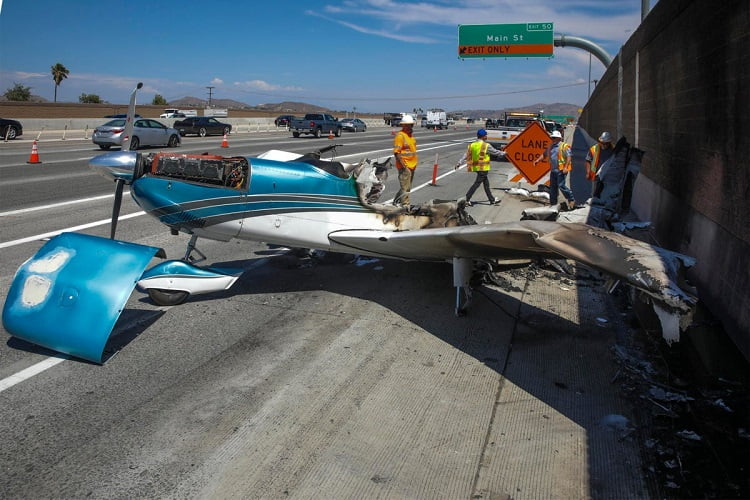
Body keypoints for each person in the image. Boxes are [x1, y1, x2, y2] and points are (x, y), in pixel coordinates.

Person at [455, 128, 504, 206]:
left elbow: (466, 155)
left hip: (476, 168)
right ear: (483, 136)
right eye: (486, 135)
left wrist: (459, 162)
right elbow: (496, 152)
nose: (486, 136)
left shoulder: (472, 145)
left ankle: (492, 200)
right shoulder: (486, 145)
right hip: (483, 168)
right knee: (477, 184)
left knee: (486, 184)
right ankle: (467, 199)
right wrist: (505, 153)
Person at [533, 130, 575, 210]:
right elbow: (544, 154)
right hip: (553, 170)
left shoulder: (564, 146)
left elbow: (569, 156)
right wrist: (538, 160)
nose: (552, 139)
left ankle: (571, 199)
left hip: (561, 170)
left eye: (554, 138)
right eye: (552, 138)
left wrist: (566, 167)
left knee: (561, 185)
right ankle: (553, 203)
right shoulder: (550, 146)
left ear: (559, 138)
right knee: (553, 188)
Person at [393, 114, 418, 205]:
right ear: (403, 125)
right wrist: (404, 167)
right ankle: (405, 206)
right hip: (405, 166)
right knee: (405, 188)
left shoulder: (410, 137)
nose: (409, 127)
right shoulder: (401, 136)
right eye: (407, 125)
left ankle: (396, 201)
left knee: (406, 187)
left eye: (411, 125)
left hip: (412, 166)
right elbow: (397, 153)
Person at [585, 131, 614, 195]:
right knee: (595, 194)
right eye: (602, 143)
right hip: (596, 176)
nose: (604, 145)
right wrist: (588, 172)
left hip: (608, 177)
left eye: (606, 143)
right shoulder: (594, 149)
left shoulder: (614, 150)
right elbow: (588, 160)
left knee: (606, 195)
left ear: (609, 142)